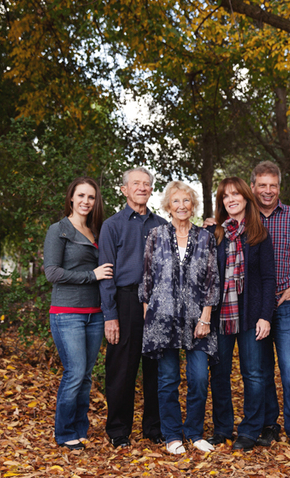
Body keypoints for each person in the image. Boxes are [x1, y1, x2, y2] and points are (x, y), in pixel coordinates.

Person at [139, 181, 220, 455]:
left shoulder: (206, 238)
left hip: (198, 321)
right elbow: (147, 278)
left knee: (198, 378)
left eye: (187, 201)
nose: (182, 206)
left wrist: (206, 317)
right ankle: (172, 435)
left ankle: (195, 433)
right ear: (168, 206)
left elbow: (212, 280)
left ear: (193, 205)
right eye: (176, 201)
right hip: (163, 321)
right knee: (168, 380)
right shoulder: (155, 235)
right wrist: (148, 316)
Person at [249, 161, 290, 451]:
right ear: (253, 187)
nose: (267, 191)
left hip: (287, 303)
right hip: (254, 307)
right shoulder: (245, 218)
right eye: (261, 185)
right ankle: (269, 425)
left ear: (279, 187)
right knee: (261, 370)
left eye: (272, 185)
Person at [206, 177, 277, 452]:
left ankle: (250, 430)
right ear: (222, 202)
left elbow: (269, 278)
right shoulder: (215, 235)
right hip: (221, 315)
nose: (231, 199)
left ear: (246, 198)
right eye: (226, 196)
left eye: (236, 194)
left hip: (250, 315)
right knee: (219, 373)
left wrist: (265, 316)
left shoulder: (259, 233)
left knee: (254, 374)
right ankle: (222, 429)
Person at [99, 167, 166, 448]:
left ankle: (153, 428)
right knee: (121, 370)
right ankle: (118, 431)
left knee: (156, 369)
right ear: (124, 189)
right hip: (125, 302)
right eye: (135, 183)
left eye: (146, 184)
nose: (142, 187)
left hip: (157, 304)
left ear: (151, 190)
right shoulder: (112, 226)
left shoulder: (162, 225)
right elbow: (105, 275)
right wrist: (110, 316)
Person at [44, 177, 113, 450]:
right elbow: (52, 272)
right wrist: (92, 275)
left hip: (94, 314)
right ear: (71, 198)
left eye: (91, 197)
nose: (86, 201)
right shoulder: (58, 230)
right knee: (74, 372)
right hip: (67, 313)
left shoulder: (96, 230)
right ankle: (64, 432)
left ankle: (79, 428)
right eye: (81, 195)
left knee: (85, 375)